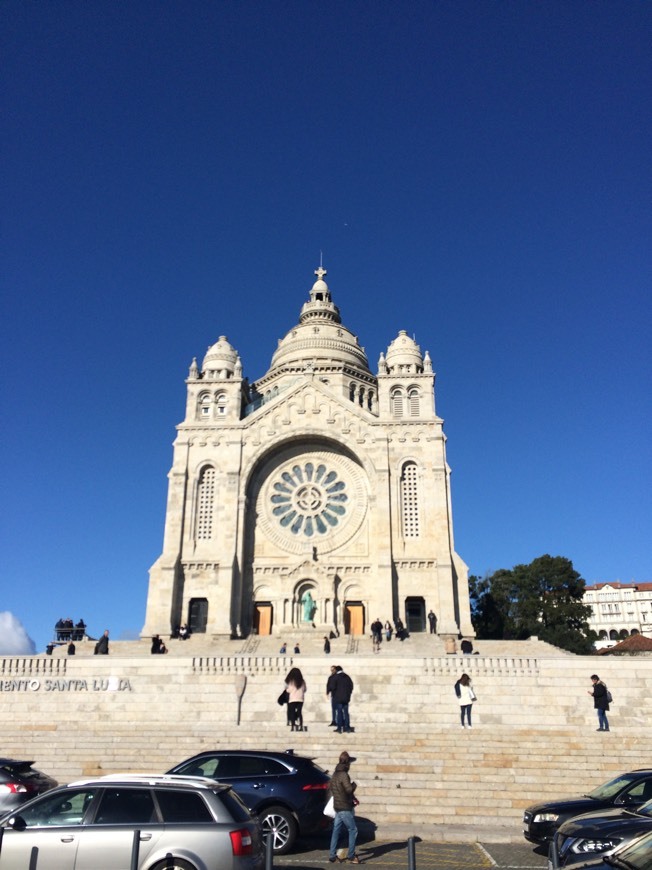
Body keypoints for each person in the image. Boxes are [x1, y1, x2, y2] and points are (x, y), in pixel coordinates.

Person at [328, 750, 361, 864]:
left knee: (336, 830)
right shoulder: (344, 775)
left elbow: (332, 789)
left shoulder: (335, 774)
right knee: (353, 830)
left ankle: (332, 856)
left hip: (337, 806)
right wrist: (354, 785)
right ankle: (351, 856)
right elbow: (348, 790)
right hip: (344, 807)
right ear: (347, 763)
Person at [332, 665, 354, 733]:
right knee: (346, 713)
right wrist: (348, 694)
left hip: (338, 698)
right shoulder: (347, 677)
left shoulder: (336, 677)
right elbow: (351, 686)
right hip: (346, 698)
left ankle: (339, 728)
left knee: (339, 712)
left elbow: (333, 687)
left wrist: (334, 695)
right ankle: (347, 727)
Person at [285, 667, 307, 731]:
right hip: (300, 699)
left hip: (292, 699)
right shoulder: (302, 681)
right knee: (299, 712)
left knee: (292, 712)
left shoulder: (291, 681)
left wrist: (287, 690)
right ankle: (300, 726)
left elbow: (289, 690)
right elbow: (305, 689)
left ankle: (293, 726)